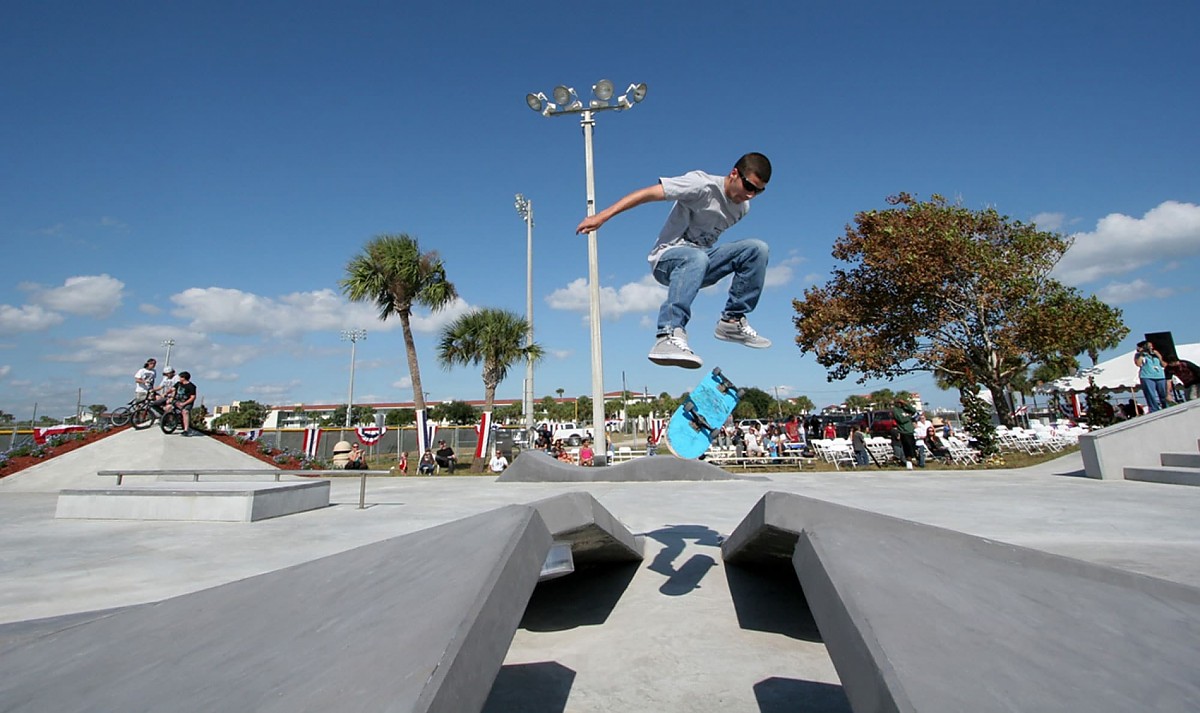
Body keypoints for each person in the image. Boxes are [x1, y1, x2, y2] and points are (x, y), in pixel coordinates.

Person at [575, 152, 773, 368]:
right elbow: (647, 194)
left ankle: (732, 322)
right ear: (734, 174)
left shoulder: (742, 208)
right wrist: (602, 216)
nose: (751, 195)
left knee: (757, 249)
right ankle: (667, 335)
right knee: (695, 257)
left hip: (701, 263)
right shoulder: (700, 185)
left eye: (759, 191)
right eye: (749, 187)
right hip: (667, 259)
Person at [1133, 341, 1168, 412]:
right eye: (1149, 346)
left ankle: (1166, 407)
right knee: (1150, 395)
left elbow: (1164, 365)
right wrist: (1141, 354)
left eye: (1151, 346)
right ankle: (1154, 409)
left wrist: (1159, 356)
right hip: (1147, 376)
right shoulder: (1138, 354)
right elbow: (1138, 364)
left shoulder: (1155, 354)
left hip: (1160, 376)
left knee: (1163, 393)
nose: (1151, 348)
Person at [892, 398, 918, 468]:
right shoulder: (895, 410)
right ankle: (909, 464)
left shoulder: (905, 408)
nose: (900, 404)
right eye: (899, 403)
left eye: (901, 403)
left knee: (913, 447)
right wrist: (909, 417)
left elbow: (913, 411)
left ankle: (913, 460)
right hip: (904, 431)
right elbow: (901, 420)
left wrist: (906, 404)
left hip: (910, 431)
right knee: (907, 448)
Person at [170, 371, 198, 436]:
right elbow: (172, 389)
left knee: (185, 412)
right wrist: (168, 395)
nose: (179, 378)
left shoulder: (191, 386)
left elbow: (193, 397)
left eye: (180, 377)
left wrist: (184, 403)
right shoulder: (178, 384)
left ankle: (186, 430)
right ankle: (169, 422)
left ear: (184, 378)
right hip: (177, 400)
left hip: (187, 402)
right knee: (168, 407)